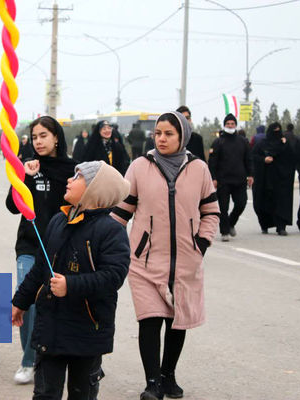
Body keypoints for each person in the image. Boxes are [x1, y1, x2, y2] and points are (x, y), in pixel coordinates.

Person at [111, 111, 220, 400]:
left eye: (168, 134)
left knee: (177, 321)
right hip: (146, 261)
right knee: (150, 320)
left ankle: (168, 375)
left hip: (186, 262)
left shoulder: (199, 169)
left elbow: (211, 211)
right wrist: (108, 244)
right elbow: (121, 213)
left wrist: (202, 243)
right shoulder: (139, 167)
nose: (161, 138)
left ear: (182, 136)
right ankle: (152, 383)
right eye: (158, 133)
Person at [12, 160, 131, 400]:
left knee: (82, 393)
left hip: (87, 332)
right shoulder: (58, 220)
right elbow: (40, 268)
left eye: (77, 177)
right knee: (45, 393)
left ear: (95, 190)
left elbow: (114, 275)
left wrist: (71, 285)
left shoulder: (111, 230)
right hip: (51, 329)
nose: (69, 179)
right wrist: (21, 301)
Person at [6, 116, 77, 385]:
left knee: (61, 302)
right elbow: (13, 206)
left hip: (62, 246)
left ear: (56, 137)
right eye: (34, 136)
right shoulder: (28, 167)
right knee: (29, 301)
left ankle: (64, 354)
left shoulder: (72, 169)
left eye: (44, 135)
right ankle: (29, 361)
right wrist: (23, 177)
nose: (38, 141)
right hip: (29, 245)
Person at [208, 113, 253, 241]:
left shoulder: (243, 141)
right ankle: (224, 232)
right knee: (223, 207)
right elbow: (213, 162)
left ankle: (231, 222)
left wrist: (250, 174)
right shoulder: (218, 142)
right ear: (224, 125)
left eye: (232, 124)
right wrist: (214, 178)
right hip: (223, 180)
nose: (230, 126)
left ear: (236, 125)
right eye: (228, 124)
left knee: (241, 204)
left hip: (239, 179)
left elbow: (248, 159)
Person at [252, 123, 296, 235]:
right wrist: (264, 159)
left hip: (281, 179)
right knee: (265, 202)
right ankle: (265, 224)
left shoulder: (284, 144)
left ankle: (281, 227)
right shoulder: (262, 144)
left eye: (279, 131)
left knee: (281, 203)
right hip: (266, 179)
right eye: (274, 131)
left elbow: (292, 158)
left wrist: (286, 146)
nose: (277, 134)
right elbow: (254, 156)